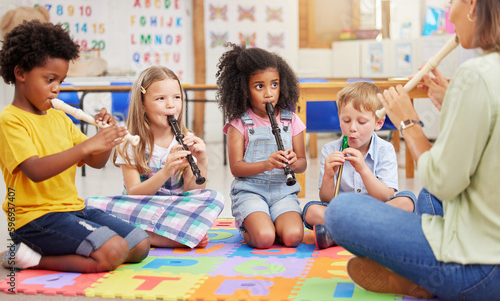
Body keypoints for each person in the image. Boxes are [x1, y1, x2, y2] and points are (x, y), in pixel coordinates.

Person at [325, 0, 500, 299]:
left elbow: (444, 180)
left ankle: (426, 281)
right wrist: (453, 103)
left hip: (481, 266)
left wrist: (408, 123)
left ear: (472, 1)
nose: (450, 14)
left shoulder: (477, 74)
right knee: (427, 203)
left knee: (340, 212)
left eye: (451, 1)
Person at [0, 21, 150, 272]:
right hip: (33, 219)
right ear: (21, 73)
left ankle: (82, 247)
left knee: (139, 244)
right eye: (49, 79)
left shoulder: (60, 118)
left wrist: (103, 138)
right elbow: (36, 171)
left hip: (73, 210)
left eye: (60, 80)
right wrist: (87, 145)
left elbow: (96, 161)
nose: (56, 88)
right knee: (112, 252)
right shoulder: (10, 120)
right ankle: (25, 257)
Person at [86, 66, 224, 249]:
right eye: (161, 99)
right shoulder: (130, 143)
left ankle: (144, 234)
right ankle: (168, 237)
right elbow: (134, 193)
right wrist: (165, 172)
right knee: (90, 206)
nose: (171, 105)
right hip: (141, 207)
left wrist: (202, 161)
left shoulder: (186, 138)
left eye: (176, 97)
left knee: (215, 198)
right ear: (142, 105)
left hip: (172, 210)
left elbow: (193, 191)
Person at [302, 81, 416, 249]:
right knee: (311, 211)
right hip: (343, 211)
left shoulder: (385, 150)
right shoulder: (330, 149)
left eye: (361, 122)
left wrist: (363, 169)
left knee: (408, 201)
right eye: (346, 120)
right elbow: (327, 200)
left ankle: (341, 235)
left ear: (378, 123)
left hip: (377, 209)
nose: (352, 128)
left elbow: (385, 196)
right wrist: (328, 175)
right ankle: (373, 233)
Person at [216, 43, 307, 249]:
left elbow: (302, 163)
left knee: (293, 238)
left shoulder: (290, 119)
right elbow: (236, 168)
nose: (269, 93)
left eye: (274, 84)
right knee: (264, 239)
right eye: (259, 86)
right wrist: (267, 164)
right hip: (250, 191)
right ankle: (251, 226)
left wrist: (294, 163)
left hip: (283, 191)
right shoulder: (238, 124)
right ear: (243, 90)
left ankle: (272, 221)